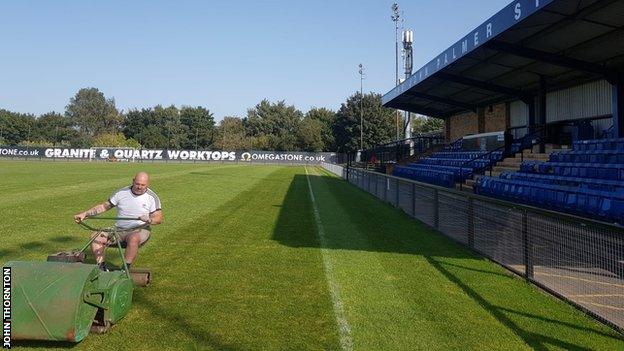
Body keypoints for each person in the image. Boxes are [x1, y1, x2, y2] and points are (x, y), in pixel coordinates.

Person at [74, 171, 163, 271]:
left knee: (133, 238)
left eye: (143, 185)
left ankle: (125, 269)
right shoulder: (121, 193)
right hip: (119, 229)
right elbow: (104, 206)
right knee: (96, 236)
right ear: (133, 181)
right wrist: (84, 214)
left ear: (148, 184)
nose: (139, 187)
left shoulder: (152, 197)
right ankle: (102, 267)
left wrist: (149, 219)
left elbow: (159, 218)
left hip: (140, 229)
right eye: (137, 184)